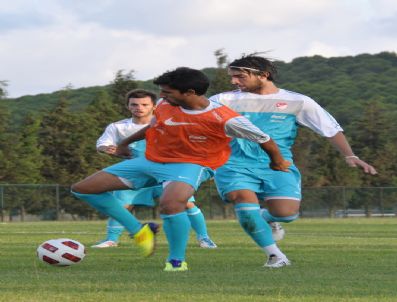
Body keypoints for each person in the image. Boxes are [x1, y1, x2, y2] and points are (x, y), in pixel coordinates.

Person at [71, 67, 291, 272]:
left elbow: (265, 139)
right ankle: (139, 231)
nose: (162, 98)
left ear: (190, 92)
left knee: (171, 204)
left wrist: (277, 161)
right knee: (83, 188)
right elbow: (152, 128)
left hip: (192, 164)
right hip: (152, 161)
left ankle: (176, 261)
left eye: (167, 92)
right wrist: (124, 144)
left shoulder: (225, 118)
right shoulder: (166, 106)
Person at [210, 54, 378, 267]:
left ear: (263, 75)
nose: (234, 81)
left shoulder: (298, 101)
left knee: (286, 213)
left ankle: (267, 218)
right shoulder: (223, 100)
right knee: (241, 200)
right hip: (234, 163)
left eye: (240, 76)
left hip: (278, 164)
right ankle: (275, 255)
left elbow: (329, 128)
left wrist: (350, 155)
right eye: (232, 77)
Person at [92, 89, 217, 249]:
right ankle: (111, 240)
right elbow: (103, 143)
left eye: (144, 104)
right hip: (136, 174)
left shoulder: (169, 123)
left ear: (153, 106)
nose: (139, 107)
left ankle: (204, 238)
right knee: (122, 206)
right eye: (134, 104)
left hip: (167, 172)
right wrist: (107, 148)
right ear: (128, 106)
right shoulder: (118, 127)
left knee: (186, 204)